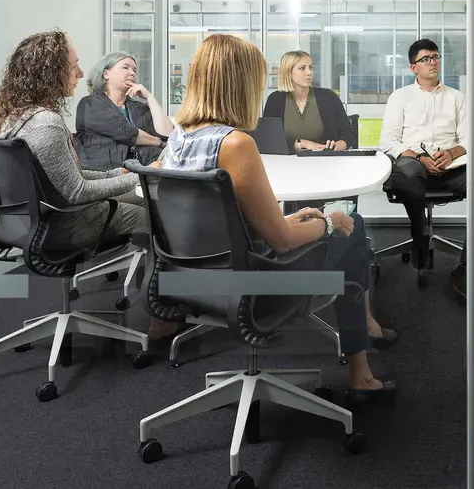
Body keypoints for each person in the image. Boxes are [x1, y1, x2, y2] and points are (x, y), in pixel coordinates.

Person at [162, 34, 397, 402]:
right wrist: (330, 221)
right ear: (239, 84)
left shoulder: (177, 139)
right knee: (354, 229)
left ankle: (361, 358)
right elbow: (281, 243)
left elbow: (232, 225)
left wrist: (298, 218)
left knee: (320, 222)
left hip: (188, 281)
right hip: (250, 289)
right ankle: (360, 374)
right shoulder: (236, 144)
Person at [0, 30, 176, 340]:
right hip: (63, 223)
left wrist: (127, 175)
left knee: (146, 198)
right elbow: (76, 192)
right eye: (72, 65)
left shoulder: (13, 116)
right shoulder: (47, 122)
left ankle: (163, 301)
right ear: (50, 71)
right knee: (159, 216)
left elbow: (71, 180)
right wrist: (134, 176)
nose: (78, 73)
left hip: (23, 221)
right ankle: (165, 311)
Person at [378, 39, 468, 300]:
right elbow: (389, 142)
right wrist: (419, 156)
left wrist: (451, 153)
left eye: (436, 57)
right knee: (406, 171)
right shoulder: (401, 97)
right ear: (413, 67)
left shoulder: (456, 97)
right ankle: (420, 233)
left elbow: (468, 139)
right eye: (426, 59)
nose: (433, 62)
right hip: (413, 165)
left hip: (450, 167)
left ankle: (466, 266)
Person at [75, 52, 174, 172]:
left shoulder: (140, 108)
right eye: (125, 67)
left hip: (147, 176)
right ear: (106, 74)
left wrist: (149, 97)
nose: (132, 73)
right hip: (107, 178)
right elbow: (126, 132)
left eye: (134, 70)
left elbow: (168, 134)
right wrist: (158, 142)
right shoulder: (90, 104)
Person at [263, 50, 357, 152]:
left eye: (310, 68)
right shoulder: (275, 100)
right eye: (302, 68)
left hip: (325, 162)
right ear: (288, 73)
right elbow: (269, 139)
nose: (309, 72)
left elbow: (349, 134)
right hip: (287, 163)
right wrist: (303, 143)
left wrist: (339, 145)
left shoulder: (328, 97)